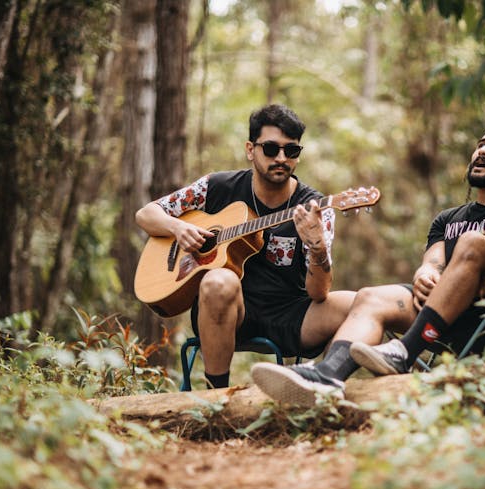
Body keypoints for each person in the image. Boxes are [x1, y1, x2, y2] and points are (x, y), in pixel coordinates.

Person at [251, 123, 485, 406]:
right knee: (370, 296)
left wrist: (460, 263)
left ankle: (405, 351)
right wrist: (426, 274)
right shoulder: (449, 218)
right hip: (446, 321)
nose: (482, 151)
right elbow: (433, 262)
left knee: (473, 242)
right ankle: (326, 377)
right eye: (481, 144)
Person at [136, 104, 355, 388]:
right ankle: (218, 397)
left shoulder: (315, 207)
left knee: (360, 303)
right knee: (219, 280)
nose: (281, 158)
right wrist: (178, 228)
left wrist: (316, 247)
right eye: (271, 149)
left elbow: (319, 292)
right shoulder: (216, 187)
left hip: (291, 312)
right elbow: (146, 214)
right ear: (250, 150)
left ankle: (324, 388)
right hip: (227, 312)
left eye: (291, 151)